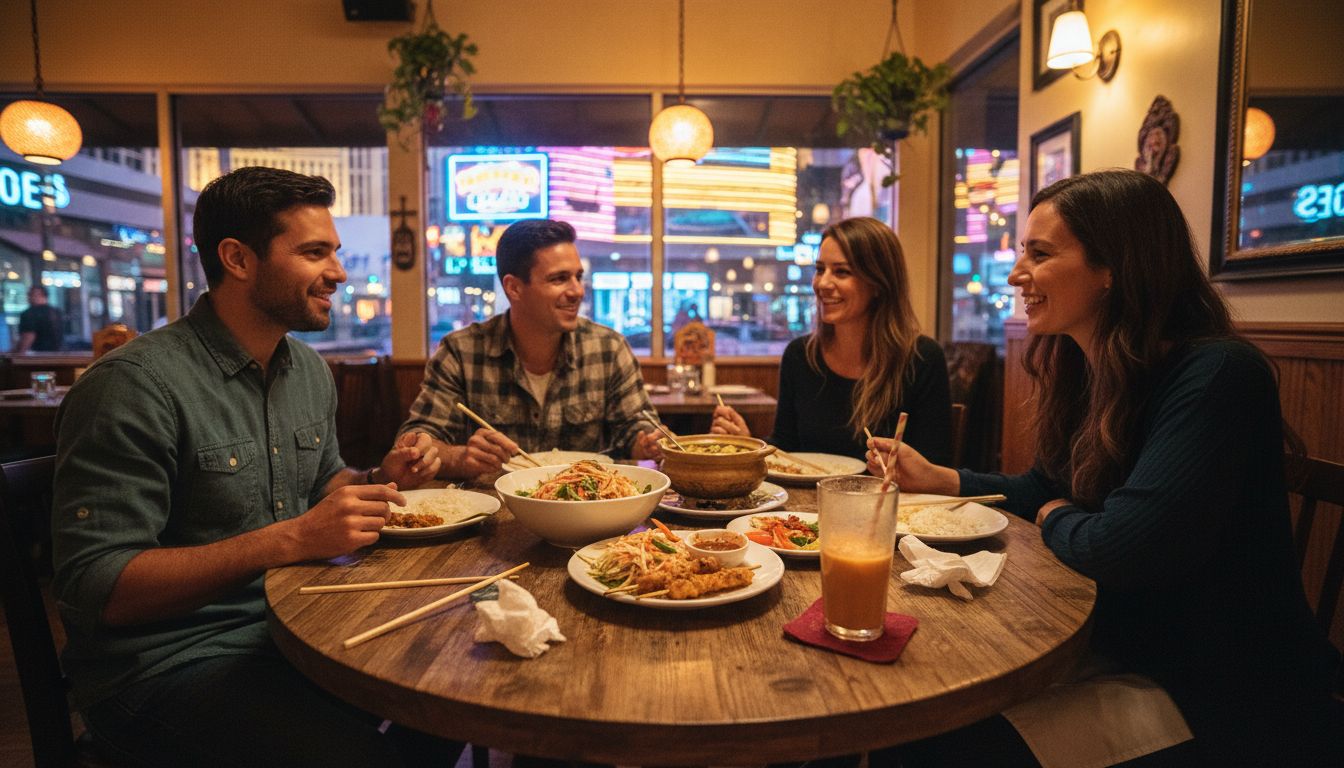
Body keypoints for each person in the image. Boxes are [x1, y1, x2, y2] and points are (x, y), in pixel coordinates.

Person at [871, 170, 1341, 767]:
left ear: (1113, 268)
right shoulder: (1089, 369)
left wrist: (1054, 513)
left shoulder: (1218, 375)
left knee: (941, 737)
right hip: (1117, 642)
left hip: (1215, 688)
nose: (1018, 274)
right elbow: (1046, 487)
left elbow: (1118, 548)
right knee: (919, 705)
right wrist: (947, 480)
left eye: (1039, 255)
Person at [51, 166, 457, 767]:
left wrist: (379, 480)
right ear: (238, 259)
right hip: (166, 667)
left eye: (334, 253)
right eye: (314, 252)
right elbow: (97, 589)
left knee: (453, 686)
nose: (339, 273)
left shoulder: (308, 371)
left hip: (294, 633)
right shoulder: (133, 386)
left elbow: (325, 486)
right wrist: (291, 538)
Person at [400, 218, 664, 479]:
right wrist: (460, 457)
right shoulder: (461, 352)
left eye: (578, 277)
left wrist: (649, 441)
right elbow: (418, 440)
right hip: (493, 510)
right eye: (559, 279)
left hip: (586, 511)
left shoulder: (608, 348)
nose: (577, 291)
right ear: (514, 288)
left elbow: (635, 428)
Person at [711, 216, 952, 464]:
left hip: (892, 502)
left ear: (879, 283)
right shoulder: (800, 355)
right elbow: (787, 447)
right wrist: (749, 445)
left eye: (841, 272)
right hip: (808, 502)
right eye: (819, 270)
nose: (822, 283)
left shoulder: (921, 359)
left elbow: (934, 469)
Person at [16, 283, 64, 352]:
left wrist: (16, 354)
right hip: (58, 356)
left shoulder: (29, 313)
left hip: (37, 356)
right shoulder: (56, 312)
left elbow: (28, 337)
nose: (28, 297)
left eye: (30, 294)